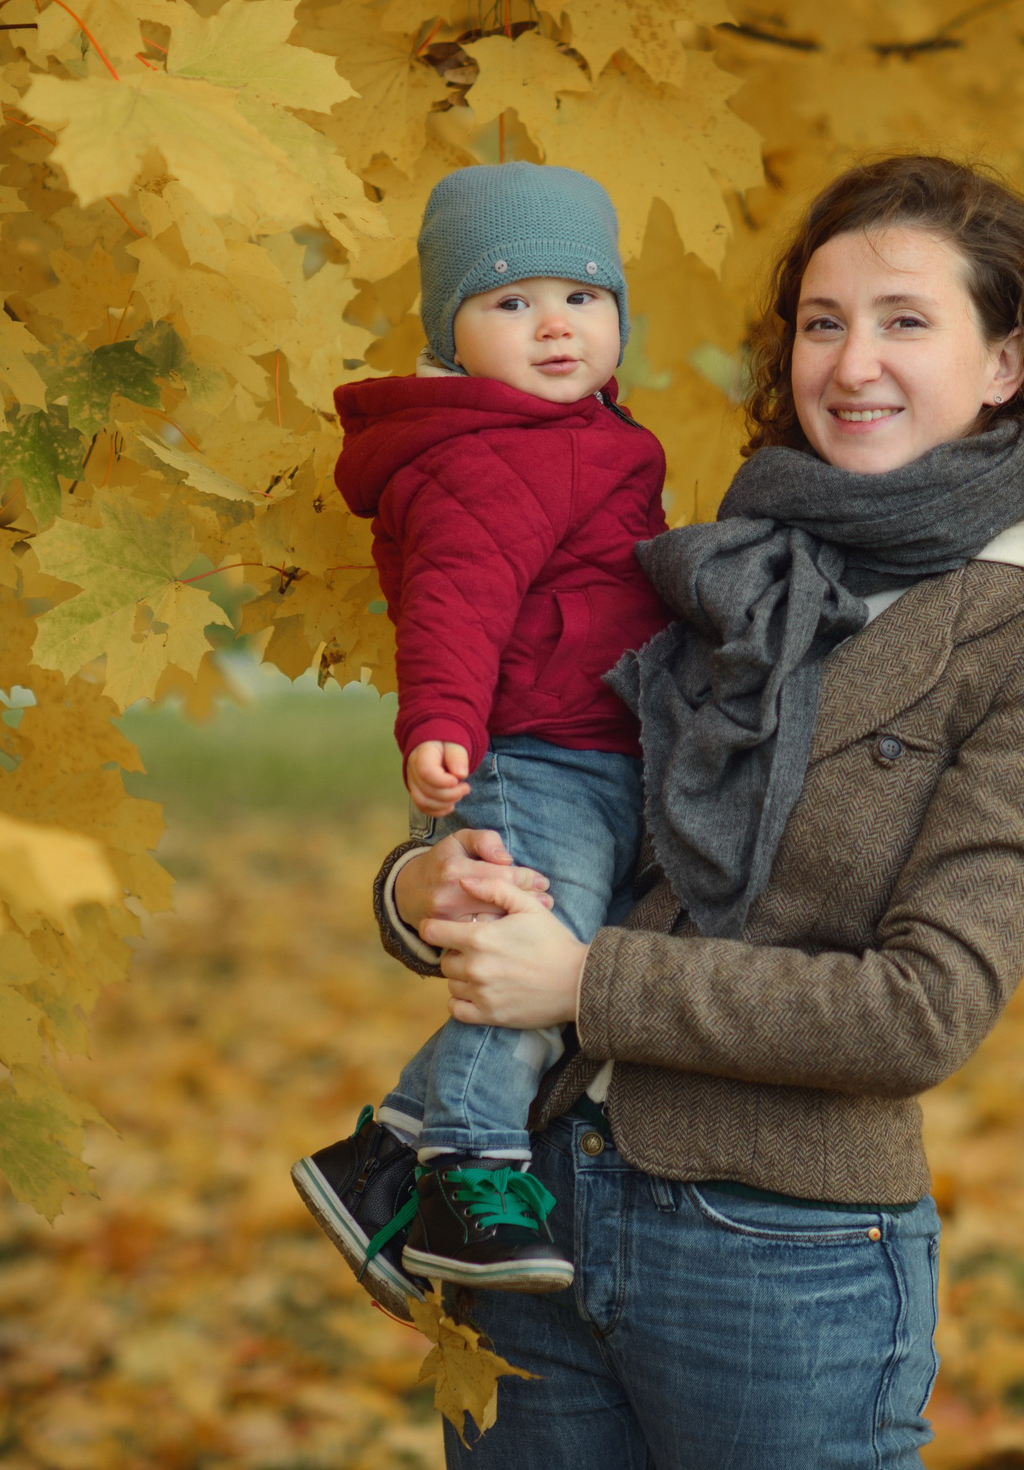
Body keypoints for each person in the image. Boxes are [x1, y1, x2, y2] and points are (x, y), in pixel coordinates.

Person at [371, 155, 1024, 1469]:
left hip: (774, 1256)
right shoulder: (730, 558)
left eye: (907, 321)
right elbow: (569, 799)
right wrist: (416, 892)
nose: (852, 364)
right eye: (824, 321)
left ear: (1006, 363)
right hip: (532, 1210)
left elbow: (923, 1007)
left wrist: (585, 982)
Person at [292, 162, 673, 1313]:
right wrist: (443, 726)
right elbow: (456, 597)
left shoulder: (591, 436)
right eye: (511, 301)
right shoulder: (491, 451)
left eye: (583, 297)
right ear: (450, 335)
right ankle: (465, 1165)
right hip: (526, 751)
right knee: (527, 959)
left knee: (559, 952)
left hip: (596, 746)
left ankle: (379, 1164)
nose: (555, 323)